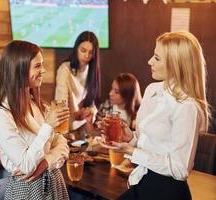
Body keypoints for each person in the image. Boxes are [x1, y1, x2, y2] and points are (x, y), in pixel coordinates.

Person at [103, 32, 209, 200]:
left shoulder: (187, 106)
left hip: (166, 191)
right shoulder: (152, 90)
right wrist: (130, 138)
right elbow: (151, 142)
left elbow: (180, 169)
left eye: (157, 58)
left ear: (176, 65)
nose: (150, 61)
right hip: (143, 181)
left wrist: (133, 151)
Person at [0, 40, 70, 199]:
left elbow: (62, 145)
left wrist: (46, 163)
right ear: (19, 69)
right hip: (27, 191)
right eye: (38, 66)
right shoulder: (1, 117)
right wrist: (48, 126)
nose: (44, 70)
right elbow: (26, 165)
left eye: (42, 64)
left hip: (53, 183)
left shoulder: (37, 104)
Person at [55, 31, 101, 135]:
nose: (86, 56)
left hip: (83, 127)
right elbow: (61, 104)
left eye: (90, 52)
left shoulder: (91, 70)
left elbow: (92, 104)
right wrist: (64, 135)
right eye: (83, 50)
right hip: (67, 128)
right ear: (76, 49)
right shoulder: (65, 70)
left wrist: (91, 111)